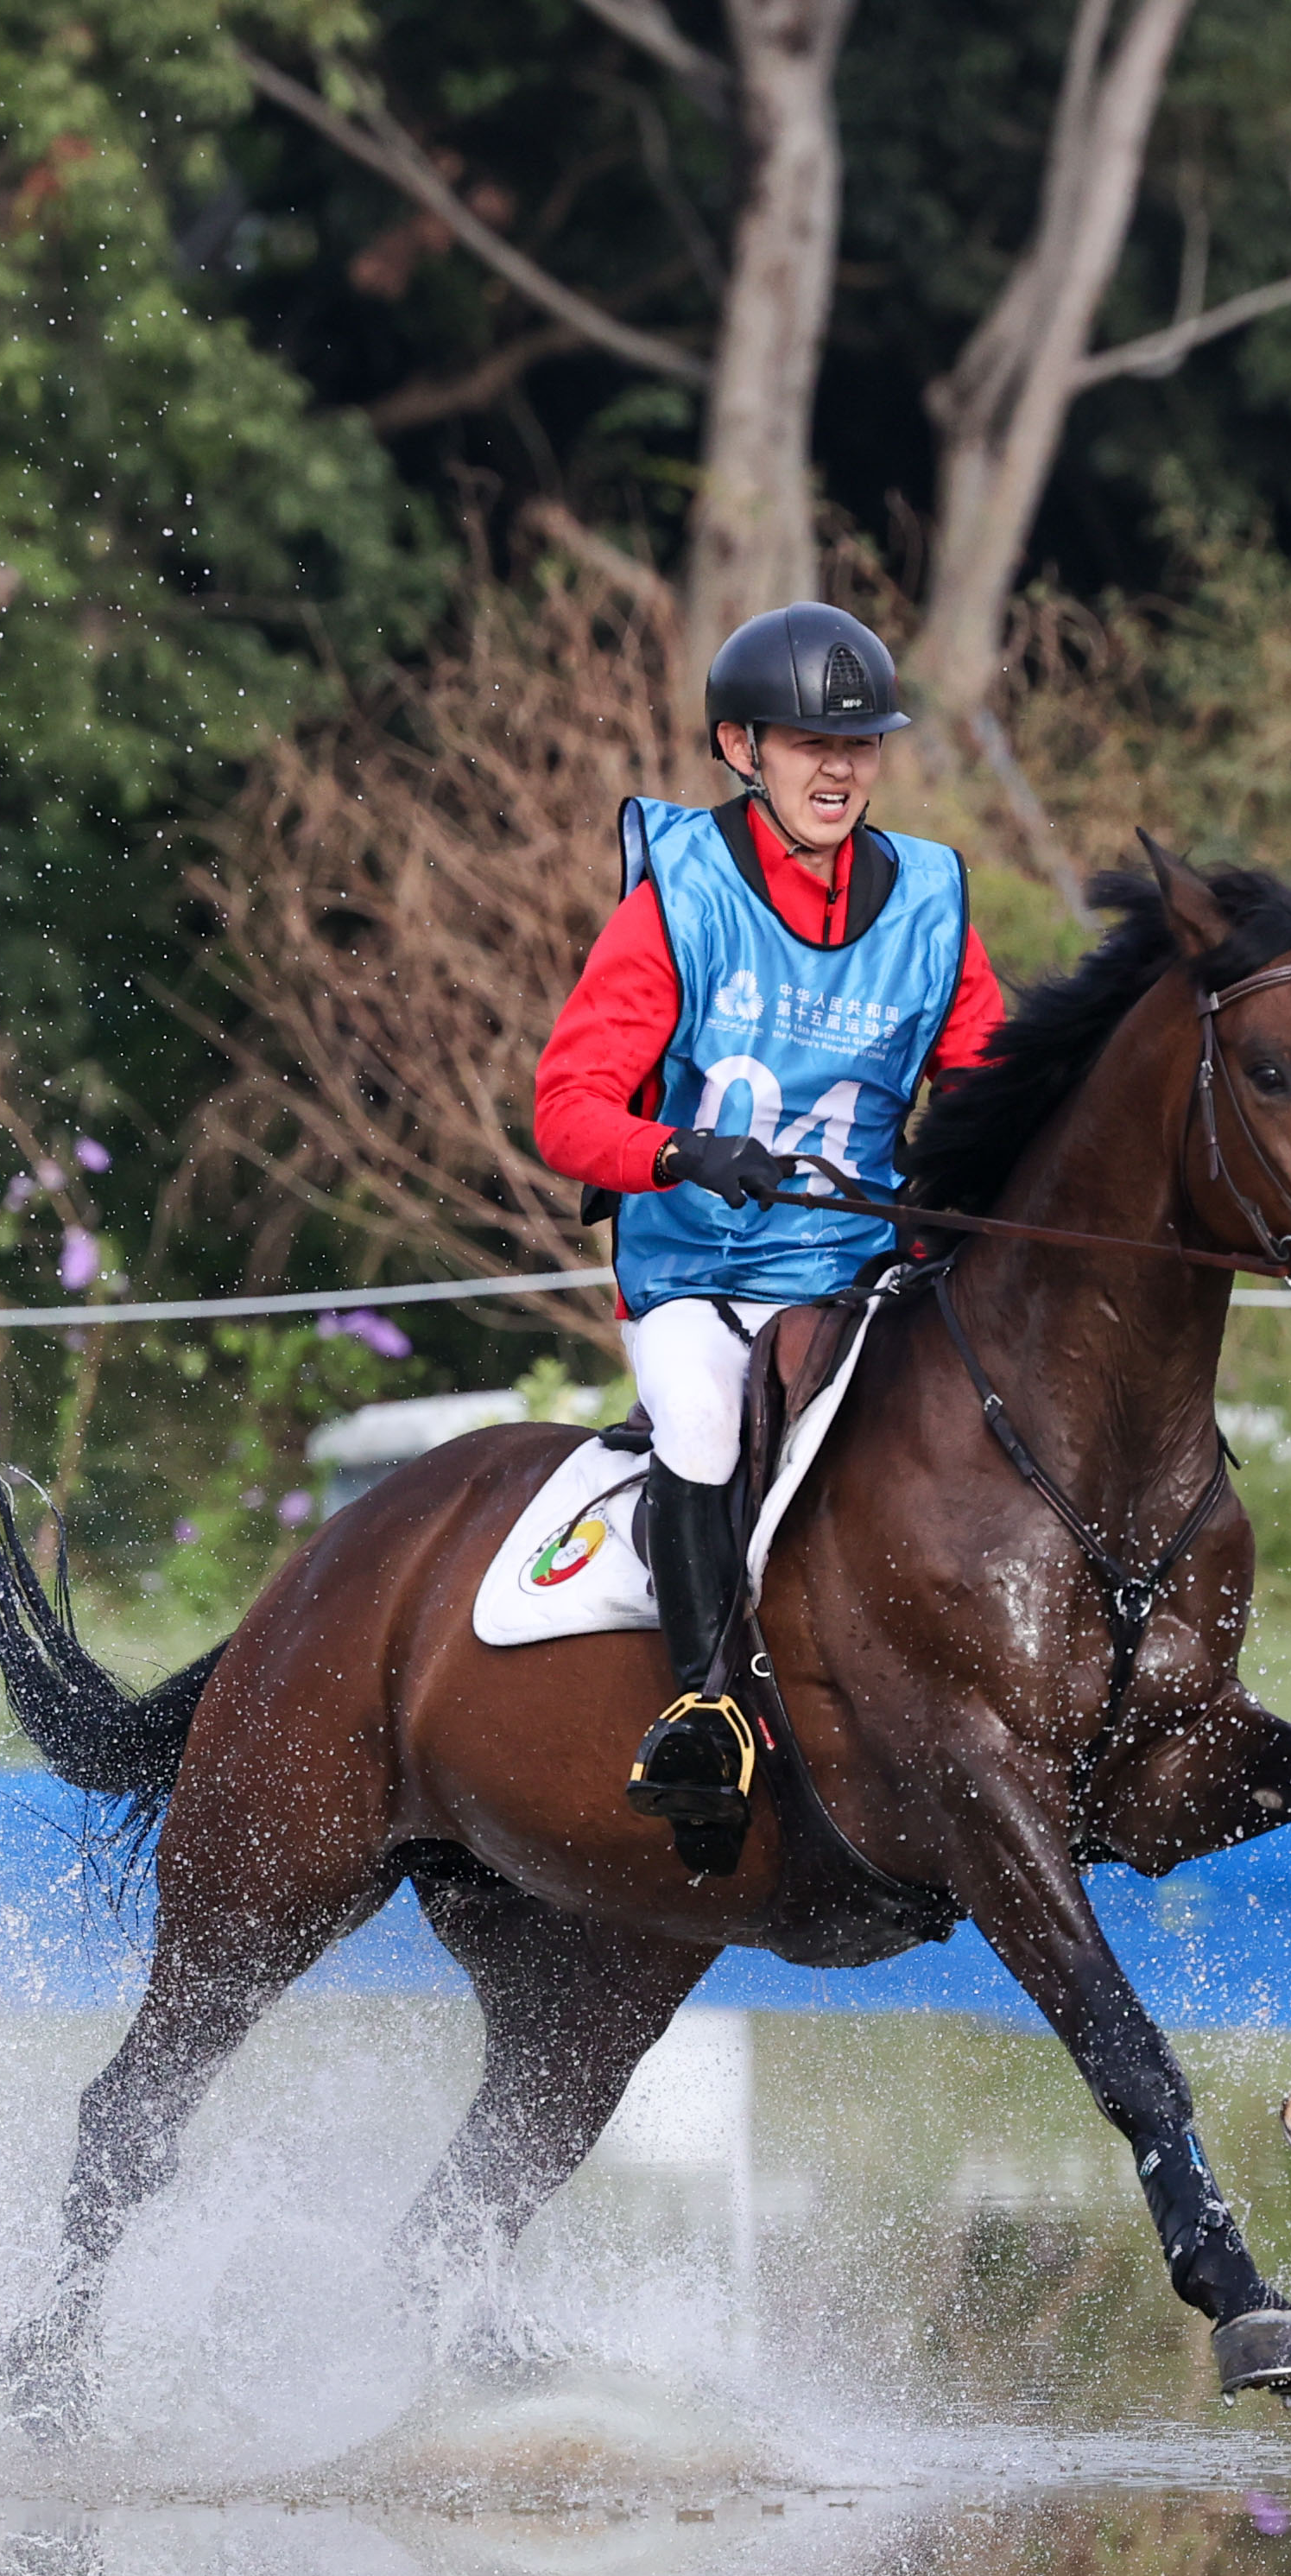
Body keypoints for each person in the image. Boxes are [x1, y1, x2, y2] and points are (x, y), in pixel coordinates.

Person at [531, 600, 1008, 1840]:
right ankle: (705, 1715)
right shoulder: (676, 900)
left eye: (858, 745)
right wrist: (680, 1147)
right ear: (742, 750)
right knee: (699, 1425)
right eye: (808, 744)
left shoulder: (931, 904)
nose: (840, 769)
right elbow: (567, 1110)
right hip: (698, 1270)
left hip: (855, 1270)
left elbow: (986, 1078)